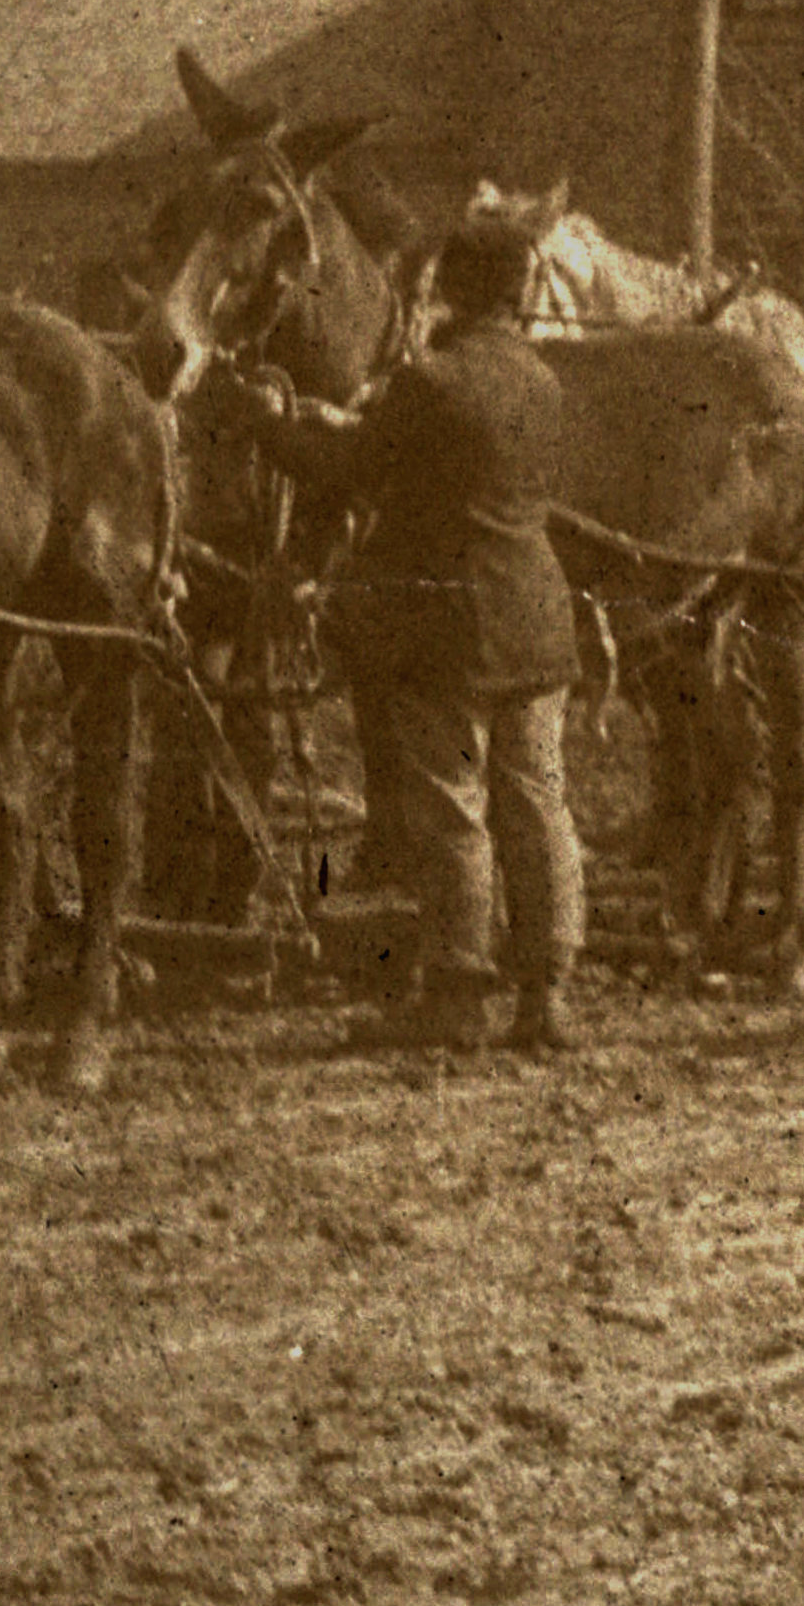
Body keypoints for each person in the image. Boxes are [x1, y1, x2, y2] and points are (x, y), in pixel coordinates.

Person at [240, 206, 585, 1056]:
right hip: (538, 626)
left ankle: (460, 998)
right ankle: (546, 996)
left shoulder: (429, 379)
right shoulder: (542, 380)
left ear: (450, 287)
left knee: (454, 811)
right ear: (519, 291)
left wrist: (265, 424)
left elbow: (357, 472)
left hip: (452, 632)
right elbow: (453, 461)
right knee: (539, 806)